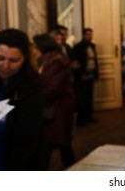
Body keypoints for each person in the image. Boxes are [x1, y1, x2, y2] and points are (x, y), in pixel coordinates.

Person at [0, 28, 43, 170]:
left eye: (13, 60)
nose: (5, 66)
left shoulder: (31, 90)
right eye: (0, 58)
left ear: (24, 59)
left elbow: (29, 142)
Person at [32, 34, 76, 169]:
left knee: (54, 144)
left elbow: (52, 89)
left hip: (58, 110)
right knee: (61, 144)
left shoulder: (57, 63)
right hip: (55, 110)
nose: (33, 49)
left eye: (35, 46)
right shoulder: (47, 61)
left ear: (42, 47)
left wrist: (34, 95)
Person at [73, 28, 99, 126]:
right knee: (82, 99)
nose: (90, 36)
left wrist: (96, 73)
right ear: (84, 35)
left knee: (89, 98)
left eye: (91, 34)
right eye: (88, 34)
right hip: (82, 76)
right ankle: (81, 120)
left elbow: (95, 61)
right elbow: (76, 62)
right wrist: (80, 74)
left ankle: (89, 117)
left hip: (91, 75)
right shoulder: (78, 47)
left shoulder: (92, 46)